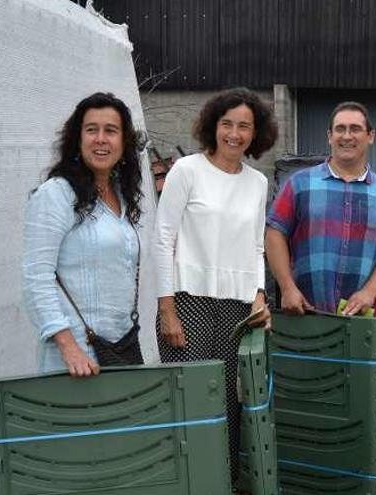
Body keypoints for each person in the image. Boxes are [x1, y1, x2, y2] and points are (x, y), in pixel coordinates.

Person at [153, 88, 276, 482]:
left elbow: (257, 245)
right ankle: (183, 480)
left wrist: (259, 293)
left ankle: (223, 479)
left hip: (236, 307)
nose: (234, 134)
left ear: (255, 134)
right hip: (187, 301)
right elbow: (162, 239)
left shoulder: (257, 182)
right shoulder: (186, 170)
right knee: (188, 394)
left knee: (227, 397)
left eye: (244, 126)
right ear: (213, 126)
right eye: (227, 124)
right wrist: (166, 308)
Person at [23, 92, 144, 376]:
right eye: (92, 130)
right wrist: (68, 346)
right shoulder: (56, 194)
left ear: (123, 142)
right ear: (78, 139)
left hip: (122, 349)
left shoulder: (122, 197)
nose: (101, 139)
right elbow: (36, 276)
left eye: (111, 131)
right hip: (77, 360)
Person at [266, 101, 376, 317]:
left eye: (355, 129)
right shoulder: (299, 184)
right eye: (340, 129)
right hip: (304, 311)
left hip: (362, 316)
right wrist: (287, 287)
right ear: (330, 136)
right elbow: (275, 234)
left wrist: (371, 290)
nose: (347, 136)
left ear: (370, 136)